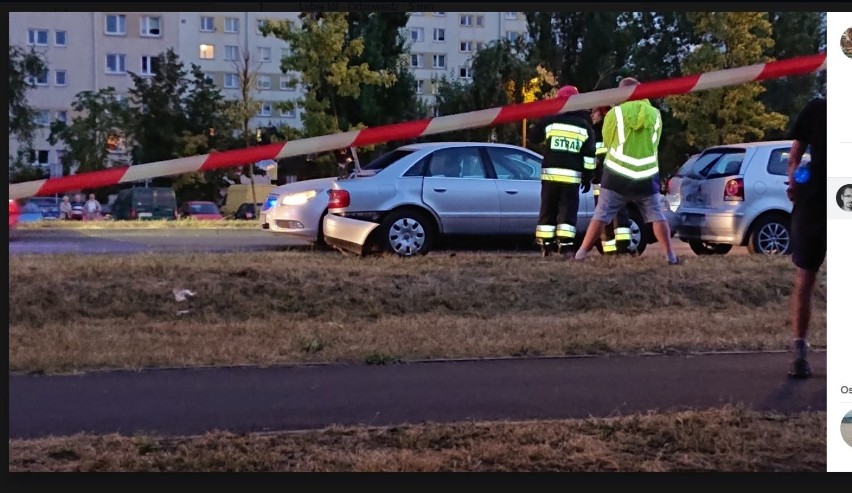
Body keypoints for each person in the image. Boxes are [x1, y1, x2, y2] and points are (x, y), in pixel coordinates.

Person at [572, 77, 679, 264]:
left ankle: (580, 254)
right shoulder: (655, 114)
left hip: (617, 176)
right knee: (657, 216)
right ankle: (670, 256)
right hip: (646, 176)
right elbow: (656, 143)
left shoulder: (616, 113)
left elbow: (607, 141)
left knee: (601, 215)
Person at [528, 85, 597, 257]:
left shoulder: (550, 120)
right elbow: (589, 157)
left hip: (550, 176)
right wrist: (588, 178)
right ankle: (565, 247)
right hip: (571, 178)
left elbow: (534, 138)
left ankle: (546, 246)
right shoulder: (585, 126)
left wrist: (542, 117)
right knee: (568, 212)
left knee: (548, 209)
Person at [785, 96, 826, 379]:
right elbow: (795, 154)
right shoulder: (816, 108)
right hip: (814, 201)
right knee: (805, 278)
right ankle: (799, 352)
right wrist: (793, 180)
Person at [591, 106, 633, 255]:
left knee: (608, 215)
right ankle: (618, 248)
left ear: (602, 114)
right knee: (617, 215)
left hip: (605, 181)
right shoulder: (616, 131)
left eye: (594, 113)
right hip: (615, 179)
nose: (592, 116)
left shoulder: (597, 133)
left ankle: (614, 248)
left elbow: (592, 160)